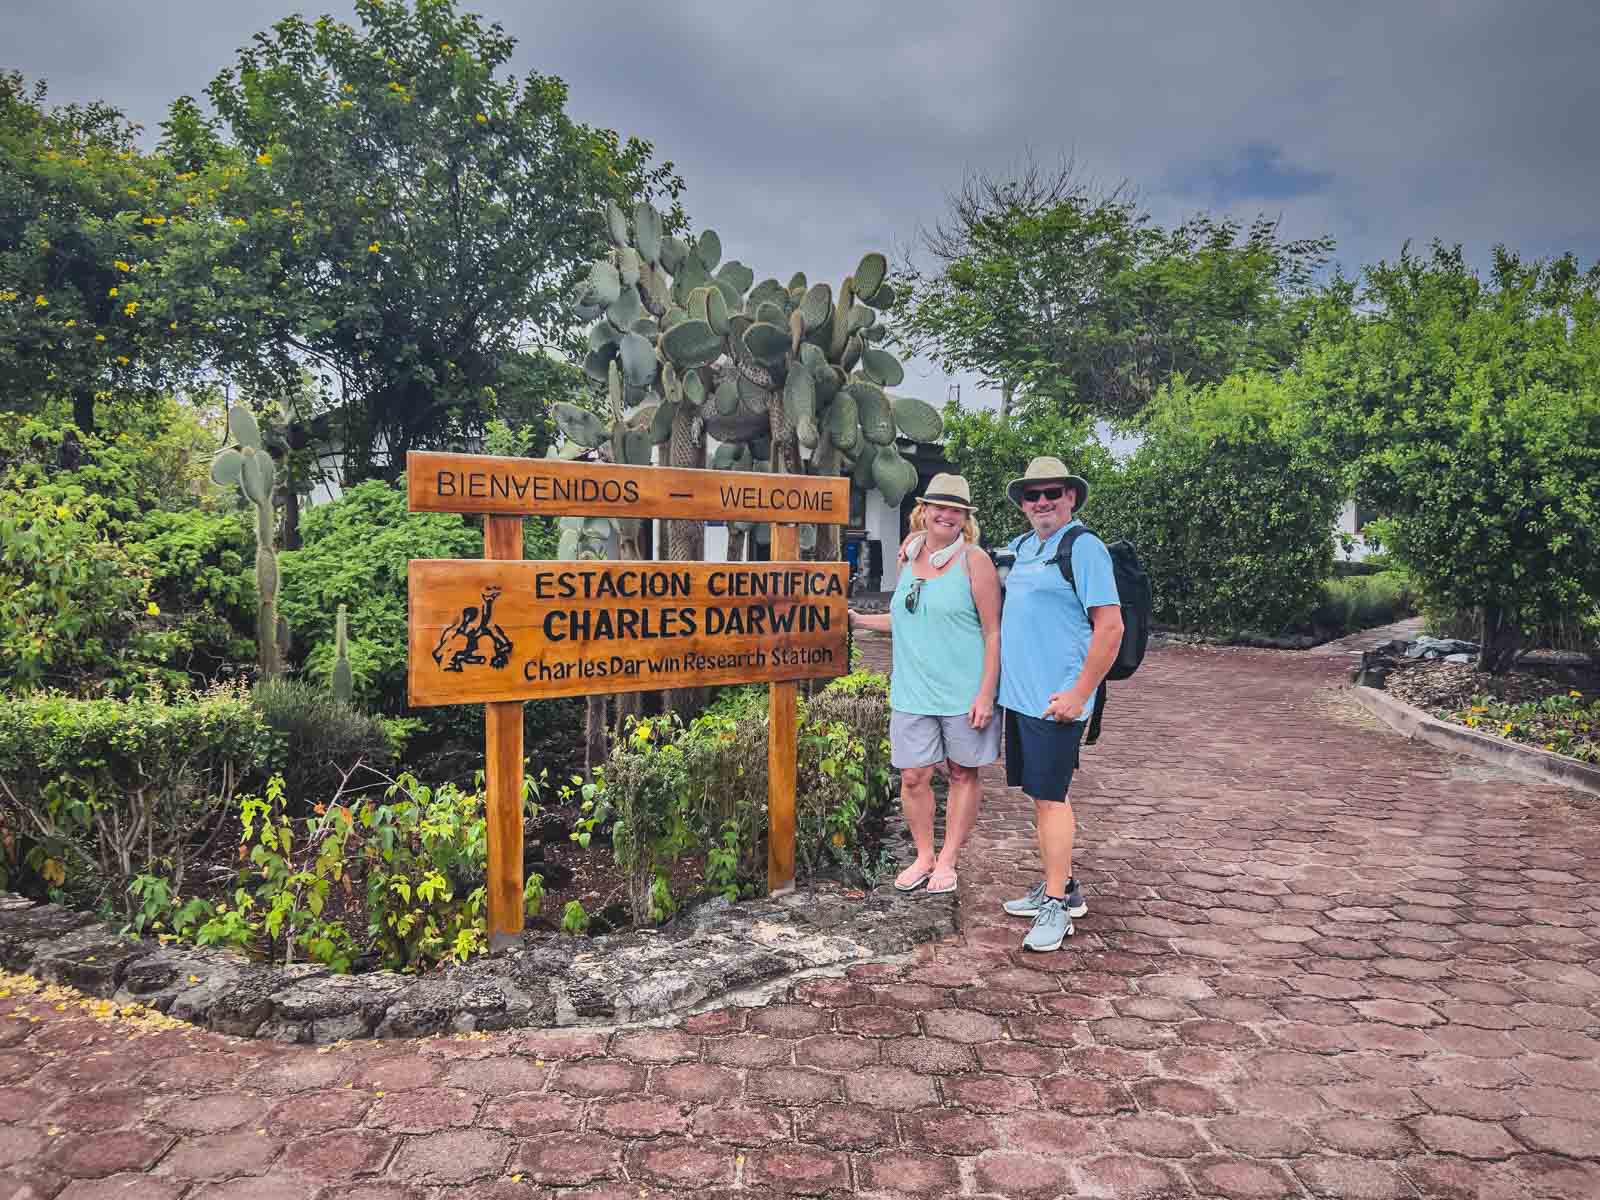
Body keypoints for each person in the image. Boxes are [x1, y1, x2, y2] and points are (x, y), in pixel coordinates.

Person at [848, 473, 1001, 895]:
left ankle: (948, 859)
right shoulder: (909, 557)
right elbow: (905, 618)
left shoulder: (976, 561)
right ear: (925, 511)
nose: (946, 515)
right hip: (913, 691)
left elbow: (992, 631)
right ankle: (924, 856)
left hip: (963, 692)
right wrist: (860, 620)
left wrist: (986, 692)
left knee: (961, 773)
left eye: (955, 509)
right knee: (914, 775)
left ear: (965, 518)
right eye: (939, 507)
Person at [997, 456, 1123, 952]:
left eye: (1053, 493)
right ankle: (1063, 887)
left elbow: (1111, 628)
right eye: (1033, 495)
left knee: (1051, 799)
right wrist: (918, 541)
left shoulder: (1084, 548)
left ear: (1071, 498)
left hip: (1058, 702)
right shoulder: (1026, 548)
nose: (1042, 501)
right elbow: (972, 558)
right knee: (1044, 795)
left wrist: (1078, 694)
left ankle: (1056, 906)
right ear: (1023, 505)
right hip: (1023, 700)